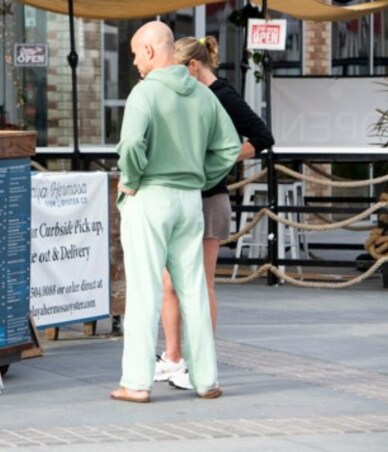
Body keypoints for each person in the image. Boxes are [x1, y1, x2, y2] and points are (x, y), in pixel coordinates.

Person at [110, 22, 241, 403]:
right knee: (195, 291)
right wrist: (202, 178)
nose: (134, 61)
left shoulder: (144, 93)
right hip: (189, 200)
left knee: (144, 292)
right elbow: (230, 147)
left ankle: (135, 383)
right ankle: (207, 380)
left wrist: (131, 178)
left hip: (150, 197)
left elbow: (132, 142)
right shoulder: (203, 95)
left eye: (136, 52)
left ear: (151, 51)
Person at [154, 36, 275, 390]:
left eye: (180, 71)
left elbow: (263, 136)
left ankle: (198, 361)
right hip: (189, 198)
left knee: (202, 284)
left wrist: (224, 159)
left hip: (209, 199)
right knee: (170, 283)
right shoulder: (192, 96)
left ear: (194, 66)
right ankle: (174, 357)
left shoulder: (222, 95)